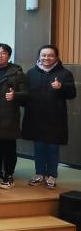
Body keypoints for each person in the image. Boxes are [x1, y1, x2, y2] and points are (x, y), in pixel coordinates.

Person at [23, 44, 77, 189]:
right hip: (35, 117)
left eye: (50, 55)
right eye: (43, 55)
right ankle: (39, 174)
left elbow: (72, 94)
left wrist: (61, 87)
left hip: (55, 118)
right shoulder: (31, 73)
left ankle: (52, 175)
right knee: (39, 147)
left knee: (53, 148)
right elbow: (25, 94)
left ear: (56, 57)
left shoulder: (65, 73)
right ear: (39, 56)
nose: (46, 58)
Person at [0, 43, 28, 189]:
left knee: (8, 147)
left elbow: (26, 94)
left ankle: (8, 175)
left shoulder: (17, 73)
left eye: (3, 53)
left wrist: (15, 95)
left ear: (9, 56)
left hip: (8, 115)